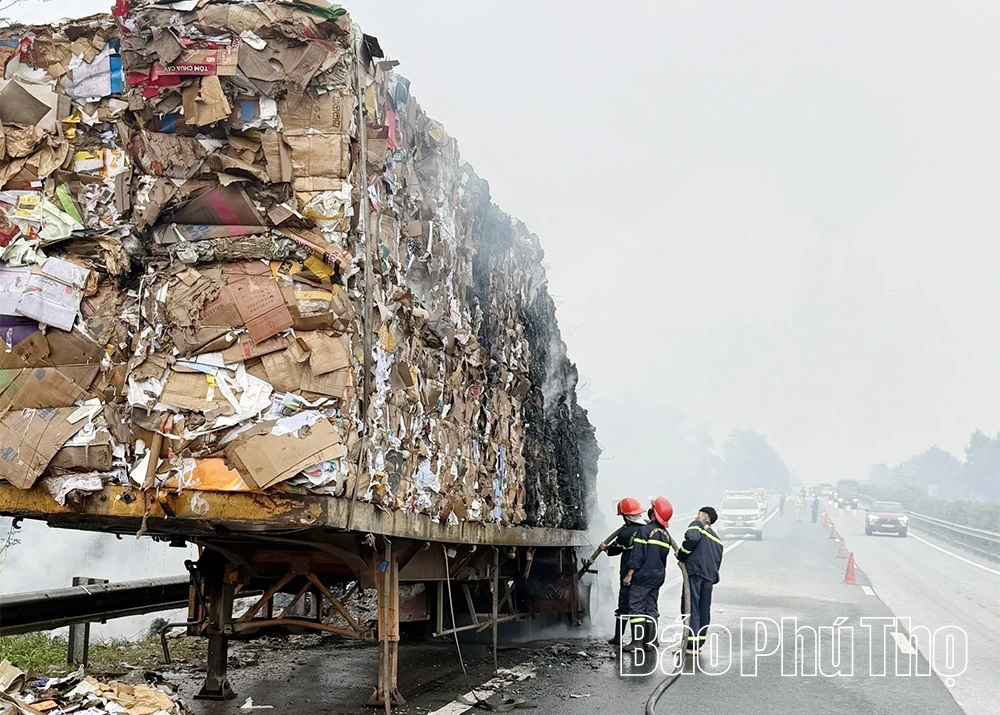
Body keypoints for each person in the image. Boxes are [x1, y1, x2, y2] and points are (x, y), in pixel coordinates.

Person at [623, 497, 674, 648]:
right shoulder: (665, 535)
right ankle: (651, 642)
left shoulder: (644, 531)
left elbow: (638, 555)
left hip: (642, 577)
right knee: (651, 607)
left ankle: (637, 643)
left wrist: (629, 573)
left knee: (637, 607)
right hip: (657, 578)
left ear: (653, 513)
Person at [599, 497, 647, 646]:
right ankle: (646, 640)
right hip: (643, 573)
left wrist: (605, 548)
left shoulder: (625, 533)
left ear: (626, 516)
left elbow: (615, 550)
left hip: (627, 572)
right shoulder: (646, 529)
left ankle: (618, 637)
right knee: (641, 606)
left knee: (624, 605)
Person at [676, 506, 724, 655]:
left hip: (695, 573)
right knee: (704, 608)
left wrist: (681, 555)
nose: (697, 517)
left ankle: (690, 643)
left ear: (705, 517)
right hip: (709, 577)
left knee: (691, 606)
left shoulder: (697, 526)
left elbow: (691, 539)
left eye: (699, 514)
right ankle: (698, 643)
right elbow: (717, 561)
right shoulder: (718, 540)